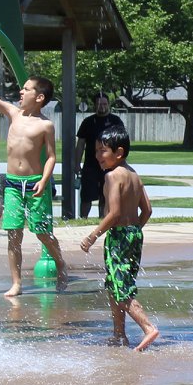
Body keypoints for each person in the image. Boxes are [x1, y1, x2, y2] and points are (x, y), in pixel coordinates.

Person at [0, 73, 69, 296]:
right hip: (13, 184)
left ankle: (60, 263)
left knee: (42, 232)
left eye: (26, 89)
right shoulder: (14, 114)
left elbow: (52, 157)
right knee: (13, 233)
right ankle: (17, 282)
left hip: (35, 184)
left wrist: (44, 181)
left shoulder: (46, 126)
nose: (21, 92)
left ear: (40, 97)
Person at [78, 124, 157, 351]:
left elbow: (113, 213)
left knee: (121, 288)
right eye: (95, 151)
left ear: (118, 153)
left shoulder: (113, 176)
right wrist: (134, 231)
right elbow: (148, 210)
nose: (97, 156)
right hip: (134, 235)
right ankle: (119, 334)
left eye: (103, 151)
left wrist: (93, 235)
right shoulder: (133, 174)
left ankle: (148, 327)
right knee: (116, 285)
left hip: (118, 237)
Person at [74, 94, 123, 219]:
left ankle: (103, 219)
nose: (102, 107)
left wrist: (121, 163)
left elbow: (122, 143)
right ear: (95, 105)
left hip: (109, 165)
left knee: (105, 194)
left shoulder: (115, 121)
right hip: (91, 164)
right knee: (86, 195)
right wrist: (76, 163)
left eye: (105, 104)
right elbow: (80, 144)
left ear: (108, 105)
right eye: (99, 104)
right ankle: (83, 218)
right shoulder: (88, 122)